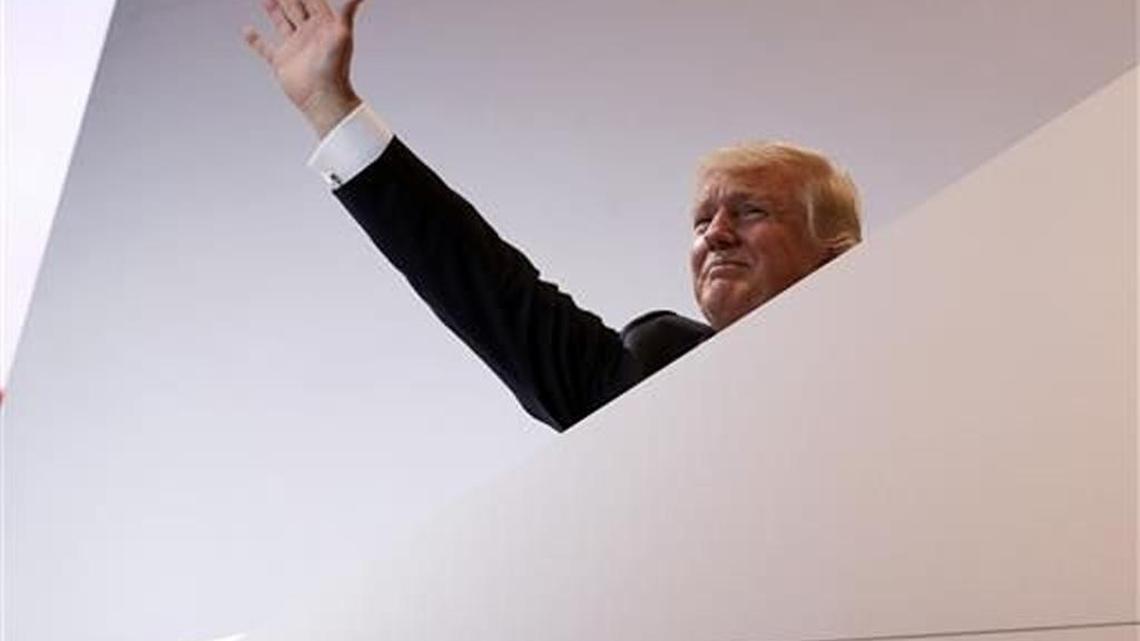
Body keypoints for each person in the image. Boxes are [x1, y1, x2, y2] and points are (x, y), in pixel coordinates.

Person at [242, 0, 862, 431]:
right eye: (702, 222)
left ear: (834, 256)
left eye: (750, 211)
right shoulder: (653, 370)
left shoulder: (920, 364)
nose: (716, 234)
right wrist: (331, 106)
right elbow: (486, 288)